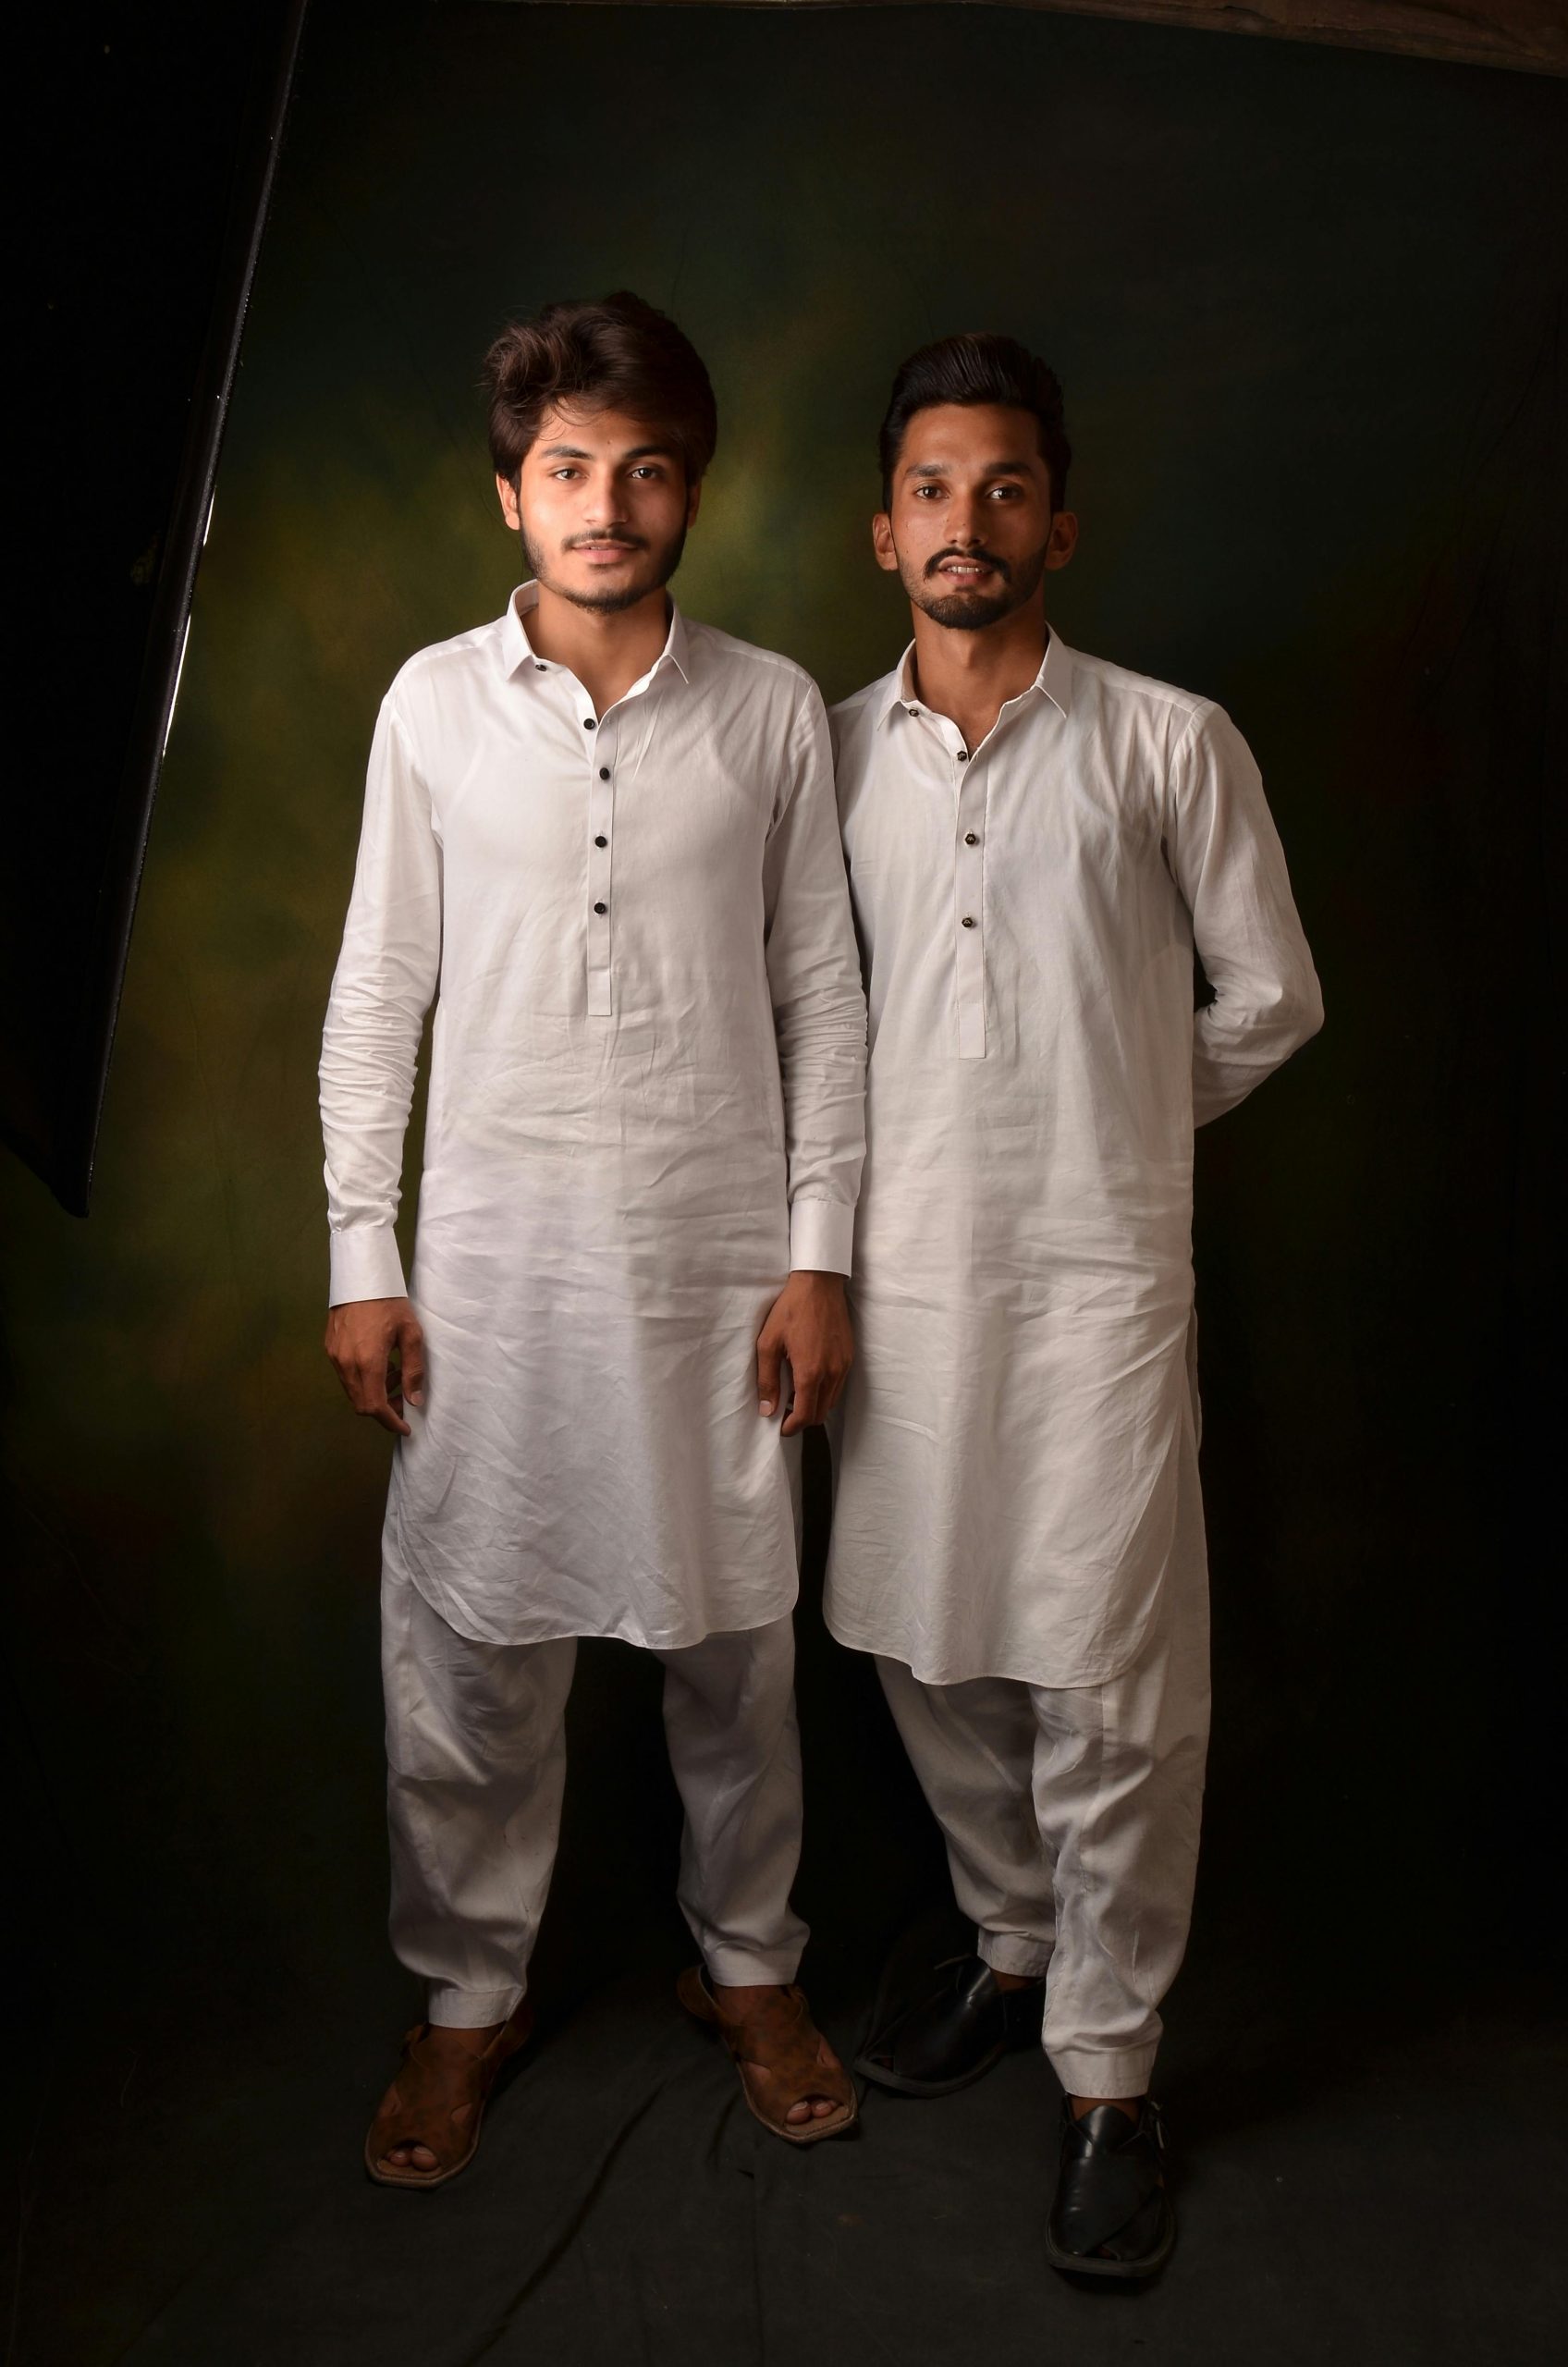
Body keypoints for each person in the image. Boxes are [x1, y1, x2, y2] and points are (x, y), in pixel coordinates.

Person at [319, 291, 867, 2186]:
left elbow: (821, 996)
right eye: (568, 468)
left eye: (643, 469)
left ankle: (752, 1964)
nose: (606, 505)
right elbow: (377, 991)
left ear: (689, 490)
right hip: (490, 1263)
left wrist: (818, 1252)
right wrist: (362, 1256)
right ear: (509, 494)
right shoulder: (429, 705)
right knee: (474, 1649)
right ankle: (466, 1995)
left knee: (735, 1644)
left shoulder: (768, 707)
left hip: (718, 1262)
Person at [825, 333, 1323, 2276]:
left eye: (1005, 486)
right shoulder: (824, 756)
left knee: (1112, 1680)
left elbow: (1269, 997)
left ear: (1059, 523)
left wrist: (1111, 1107)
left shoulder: (1166, 742)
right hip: (894, 1283)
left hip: (1099, 1285)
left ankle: (1108, 2071)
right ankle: (1009, 1932)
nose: (969, 520)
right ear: (886, 531)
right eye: (933, 488)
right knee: (921, 1635)